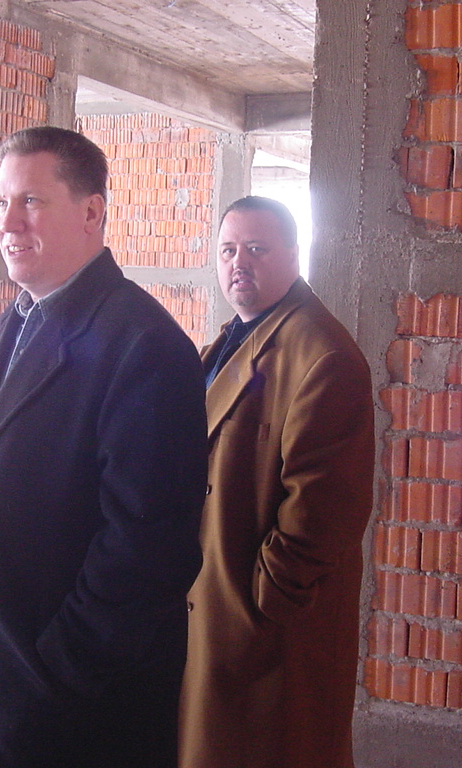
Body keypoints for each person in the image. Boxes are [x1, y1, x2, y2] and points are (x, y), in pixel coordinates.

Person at [0, 126, 208, 768]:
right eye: (0, 202)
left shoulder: (144, 346)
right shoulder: (18, 319)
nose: (8, 222)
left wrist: (55, 674)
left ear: (92, 212)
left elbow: (148, 551)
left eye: (31, 202)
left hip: (72, 712)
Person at [179, 196, 375, 768]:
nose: (240, 262)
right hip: (219, 605)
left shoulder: (322, 354)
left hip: (264, 623)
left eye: (258, 249)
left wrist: (264, 599)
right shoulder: (235, 337)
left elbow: (324, 511)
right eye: (229, 250)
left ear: (294, 254)